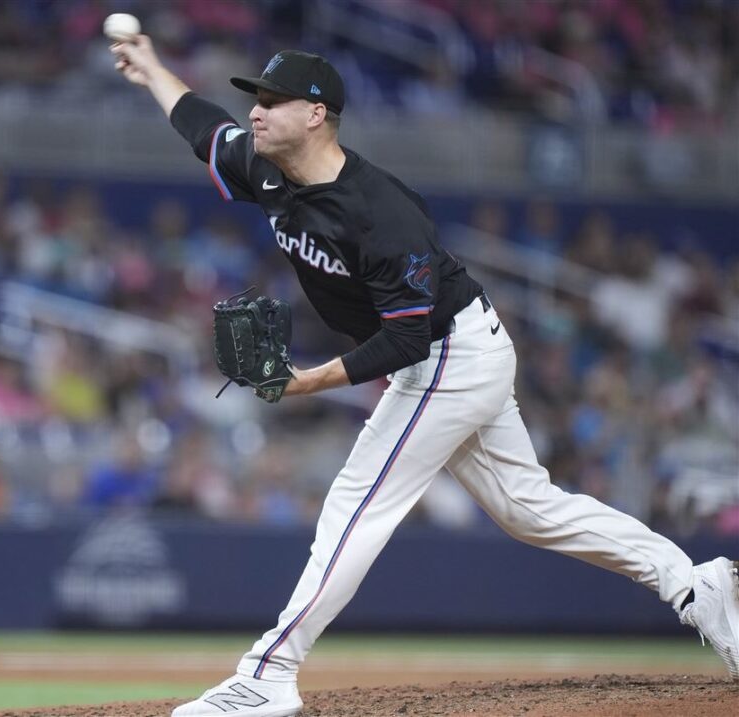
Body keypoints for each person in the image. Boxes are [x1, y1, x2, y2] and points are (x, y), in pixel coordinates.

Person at [109, 37, 739, 717]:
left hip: (449, 354)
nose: (255, 112)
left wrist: (303, 382)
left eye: (273, 100)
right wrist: (152, 70)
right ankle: (693, 583)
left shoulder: (381, 212)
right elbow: (203, 127)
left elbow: (406, 339)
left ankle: (269, 672)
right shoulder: (264, 167)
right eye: (255, 100)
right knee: (528, 509)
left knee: (357, 501)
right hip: (456, 351)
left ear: (317, 114)